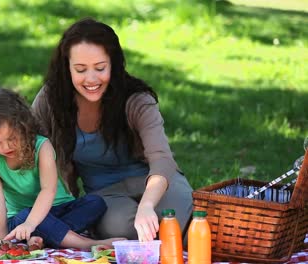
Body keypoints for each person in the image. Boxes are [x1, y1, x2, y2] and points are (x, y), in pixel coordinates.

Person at [32, 18, 194, 242]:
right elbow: (30, 155)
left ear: (113, 65)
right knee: (121, 231)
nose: (91, 79)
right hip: (105, 194)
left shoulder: (137, 100)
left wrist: (147, 205)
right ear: (66, 68)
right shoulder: (52, 100)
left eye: (100, 68)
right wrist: (21, 220)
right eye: (80, 69)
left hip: (154, 183)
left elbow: (162, 159)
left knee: (175, 225)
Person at [0, 88, 124, 249]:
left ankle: (38, 235)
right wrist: (2, 238)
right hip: (21, 217)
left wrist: (32, 225)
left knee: (95, 202)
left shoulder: (42, 147)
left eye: (11, 138)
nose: (5, 147)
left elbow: (48, 190)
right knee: (27, 215)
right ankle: (86, 244)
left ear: (24, 128)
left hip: (58, 210)